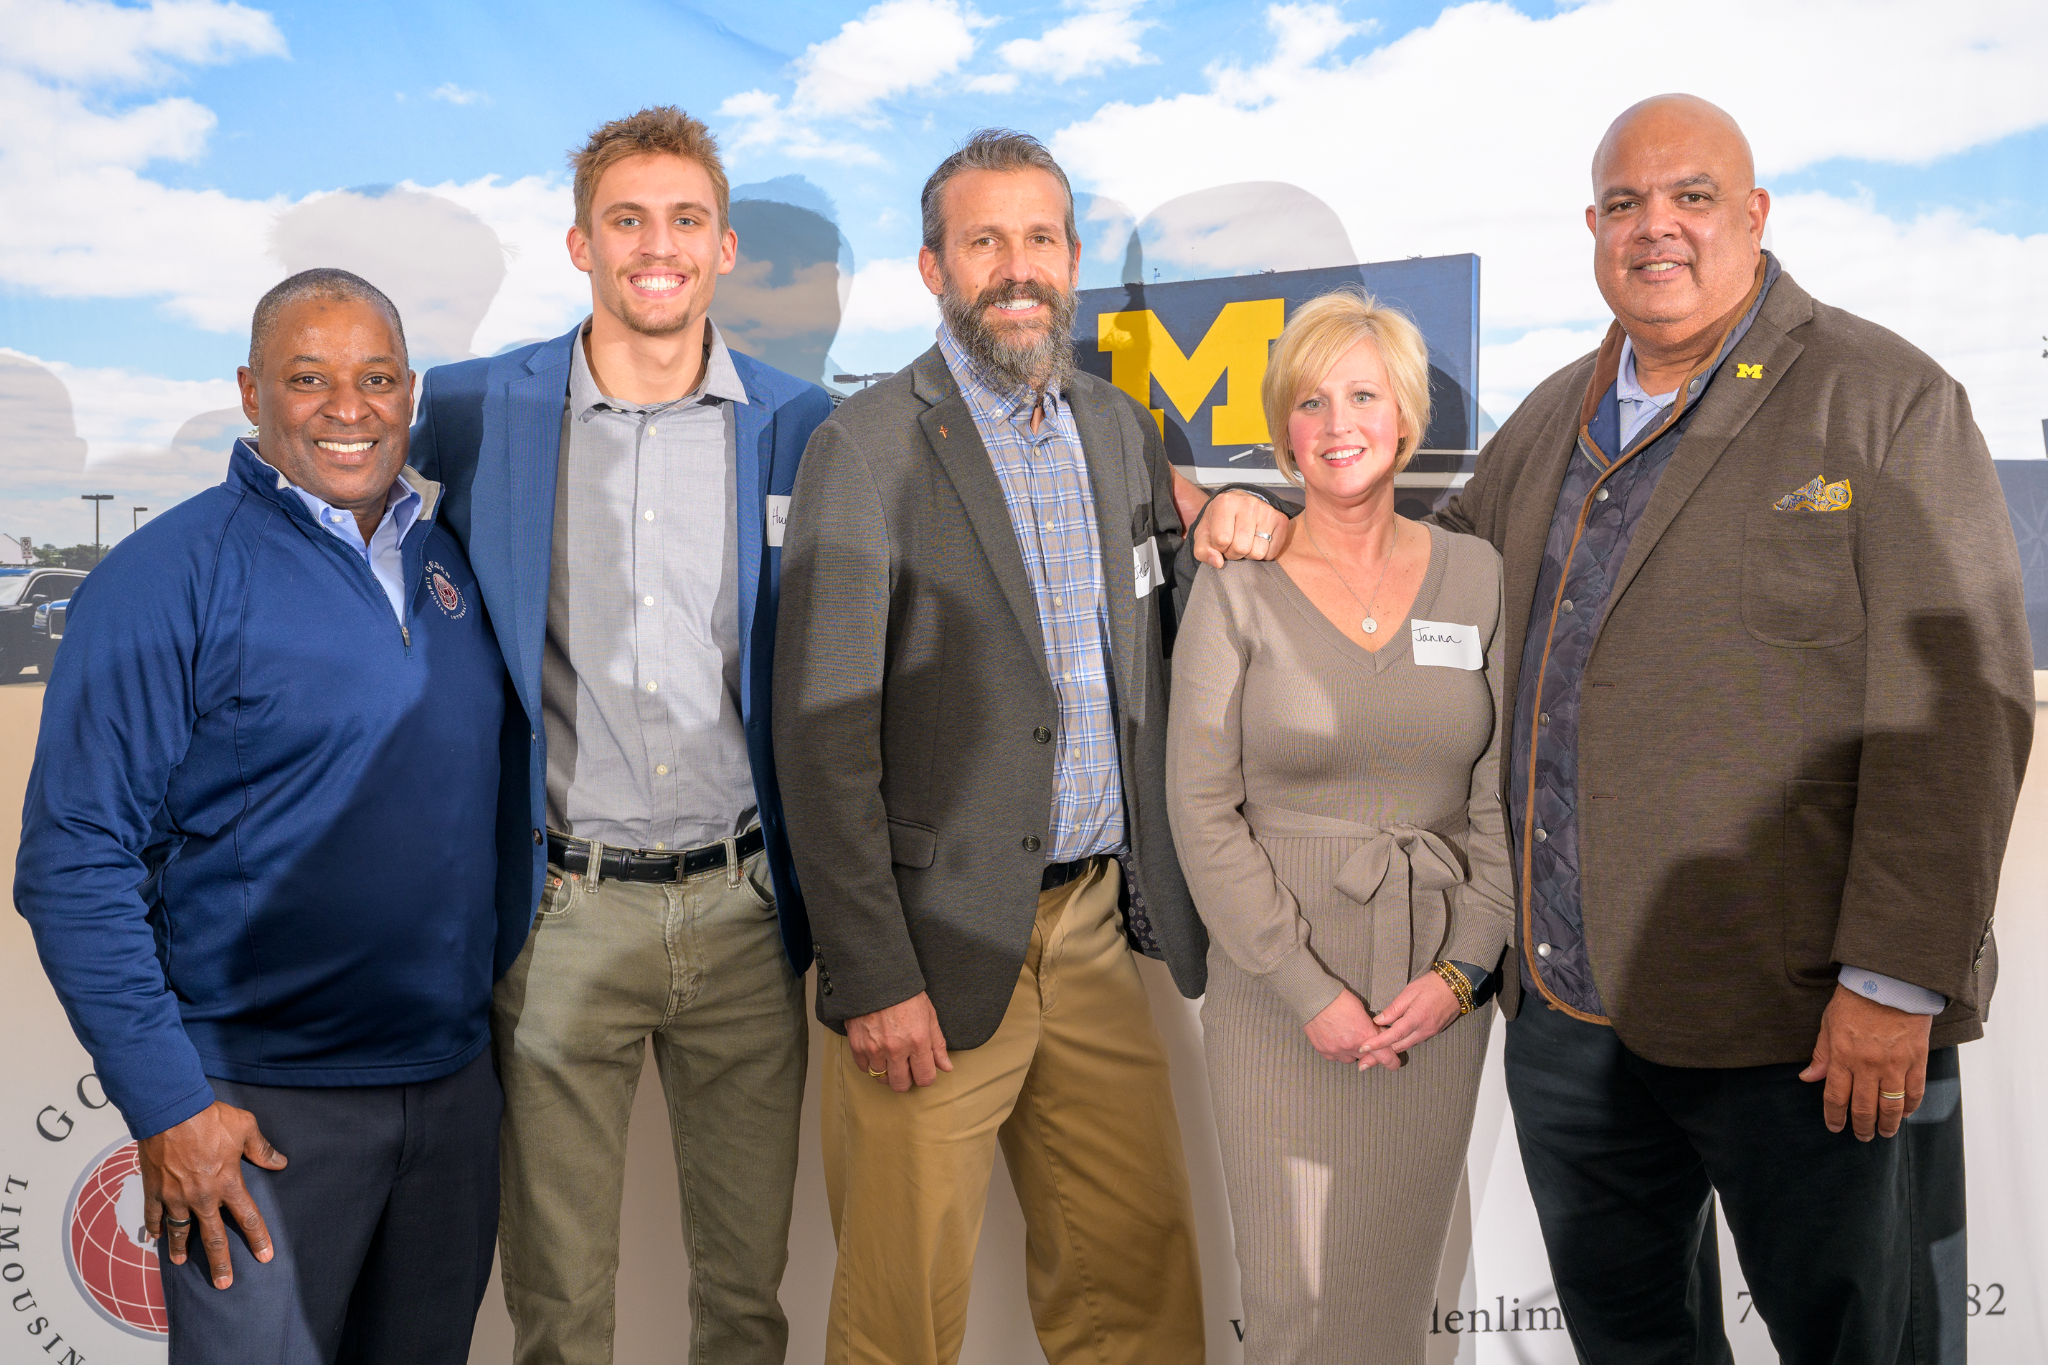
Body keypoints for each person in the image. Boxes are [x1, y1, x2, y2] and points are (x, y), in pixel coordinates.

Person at [1431, 94, 2034, 1360]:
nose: (1654, 227)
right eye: (1621, 204)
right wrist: (1244, 522)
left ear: (1751, 216)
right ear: (1590, 229)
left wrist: (1889, 980)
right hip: (1569, 1024)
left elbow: (1961, 703)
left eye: (1689, 197)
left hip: (1805, 1027)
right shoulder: (1547, 419)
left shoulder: (1882, 400)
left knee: (1861, 1340)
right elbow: (1408, 585)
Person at [772, 128, 1293, 1365]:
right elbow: (820, 737)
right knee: (899, 1318)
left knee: (1138, 1287)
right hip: (935, 957)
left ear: (1070, 264)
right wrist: (872, 976)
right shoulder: (867, 448)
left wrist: (1225, 508)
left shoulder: (1116, 429)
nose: (1017, 266)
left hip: (1094, 934)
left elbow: (1157, 616)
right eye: (984, 241)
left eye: (1041, 239)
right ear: (933, 267)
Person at [15, 268, 511, 1363]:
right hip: (255, 1115)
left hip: (448, 1097)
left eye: (376, 378)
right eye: (309, 377)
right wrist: (167, 1107)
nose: (350, 407)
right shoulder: (165, 578)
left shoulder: (449, 566)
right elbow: (72, 863)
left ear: (410, 391)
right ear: (251, 392)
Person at [406, 108, 827, 1365]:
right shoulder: (477, 409)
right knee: (557, 1307)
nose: (659, 246)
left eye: (685, 220)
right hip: (560, 913)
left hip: (747, 914)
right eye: (628, 220)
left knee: (746, 1303)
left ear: (725, 247)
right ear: (580, 242)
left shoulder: (797, 421)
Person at [1167, 289, 1513, 1363]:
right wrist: (1307, 991)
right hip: (1278, 996)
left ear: (1404, 418)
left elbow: (1499, 801)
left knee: (1393, 1307)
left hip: (1432, 1001)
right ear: (1282, 434)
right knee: (1290, 1314)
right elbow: (1199, 805)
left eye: (1361, 395)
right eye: (1309, 403)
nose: (1336, 423)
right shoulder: (1237, 584)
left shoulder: (1477, 574)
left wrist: (1460, 973)